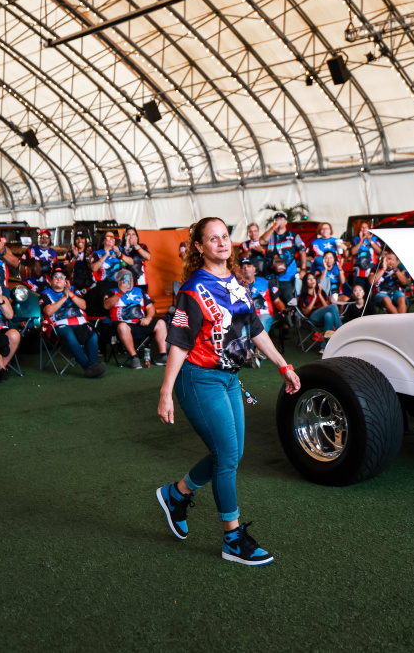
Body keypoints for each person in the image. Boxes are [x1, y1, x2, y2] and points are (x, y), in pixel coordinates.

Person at [156, 217, 300, 566]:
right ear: (199, 246)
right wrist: (166, 392)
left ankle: (177, 494)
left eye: (225, 237)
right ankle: (232, 538)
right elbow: (179, 343)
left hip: (231, 379)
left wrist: (283, 365)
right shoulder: (192, 290)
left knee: (231, 454)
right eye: (213, 238)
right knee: (226, 455)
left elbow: (254, 328)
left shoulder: (235, 282)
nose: (222, 242)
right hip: (199, 378)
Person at [40, 267, 106, 378]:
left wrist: (70, 294)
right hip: (59, 324)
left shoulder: (73, 290)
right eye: (56, 277)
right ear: (51, 281)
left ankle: (93, 366)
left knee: (92, 333)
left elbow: (83, 306)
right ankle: (88, 368)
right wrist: (64, 297)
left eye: (62, 277)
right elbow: (48, 311)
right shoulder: (45, 294)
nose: (59, 279)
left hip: (80, 322)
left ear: (66, 281)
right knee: (69, 334)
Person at [103, 270, 167, 368]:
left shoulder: (140, 291)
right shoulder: (111, 292)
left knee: (161, 323)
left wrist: (148, 318)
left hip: (141, 323)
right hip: (122, 325)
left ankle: (163, 356)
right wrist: (120, 293)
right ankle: (134, 357)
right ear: (119, 281)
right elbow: (106, 306)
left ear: (133, 280)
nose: (128, 281)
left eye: (130, 279)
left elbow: (150, 308)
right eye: (124, 279)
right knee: (123, 327)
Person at [260, 212, 306, 298]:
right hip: (271, 277)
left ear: (286, 222)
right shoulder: (270, 235)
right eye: (277, 219)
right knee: (273, 302)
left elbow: (302, 251)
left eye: (282, 218)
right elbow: (262, 241)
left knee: (290, 301)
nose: (279, 221)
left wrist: (303, 269)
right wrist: (274, 227)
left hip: (289, 277)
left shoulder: (293, 236)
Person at [297, 272, 342, 340]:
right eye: (309, 279)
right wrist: (314, 298)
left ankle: (325, 344)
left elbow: (326, 307)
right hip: (312, 318)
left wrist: (320, 295)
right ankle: (341, 332)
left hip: (323, 317)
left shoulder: (322, 292)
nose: (312, 280)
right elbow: (305, 313)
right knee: (334, 307)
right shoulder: (302, 296)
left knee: (329, 315)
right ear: (305, 282)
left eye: (313, 278)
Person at [240, 259, 274, 335]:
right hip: (246, 316)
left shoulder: (264, 282)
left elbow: (277, 300)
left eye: (248, 266)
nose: (246, 268)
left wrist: (283, 309)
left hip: (263, 314)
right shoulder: (237, 285)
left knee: (260, 327)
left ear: (254, 268)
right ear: (240, 271)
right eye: (243, 267)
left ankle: (258, 343)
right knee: (243, 334)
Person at [350, 222, 382, 291]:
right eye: (362, 227)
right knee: (359, 291)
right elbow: (352, 252)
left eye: (366, 227)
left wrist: (370, 241)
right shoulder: (355, 239)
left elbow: (379, 251)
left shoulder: (374, 238)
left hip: (371, 271)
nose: (364, 228)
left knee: (369, 292)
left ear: (369, 229)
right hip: (358, 272)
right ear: (359, 229)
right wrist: (361, 241)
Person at [120, 227, 151, 292]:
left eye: (133, 234)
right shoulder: (120, 248)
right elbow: (122, 263)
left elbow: (148, 257)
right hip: (126, 282)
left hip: (141, 282)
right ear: (125, 237)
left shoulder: (141, 246)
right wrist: (127, 248)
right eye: (128, 234)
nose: (131, 236)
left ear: (136, 237)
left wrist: (136, 246)